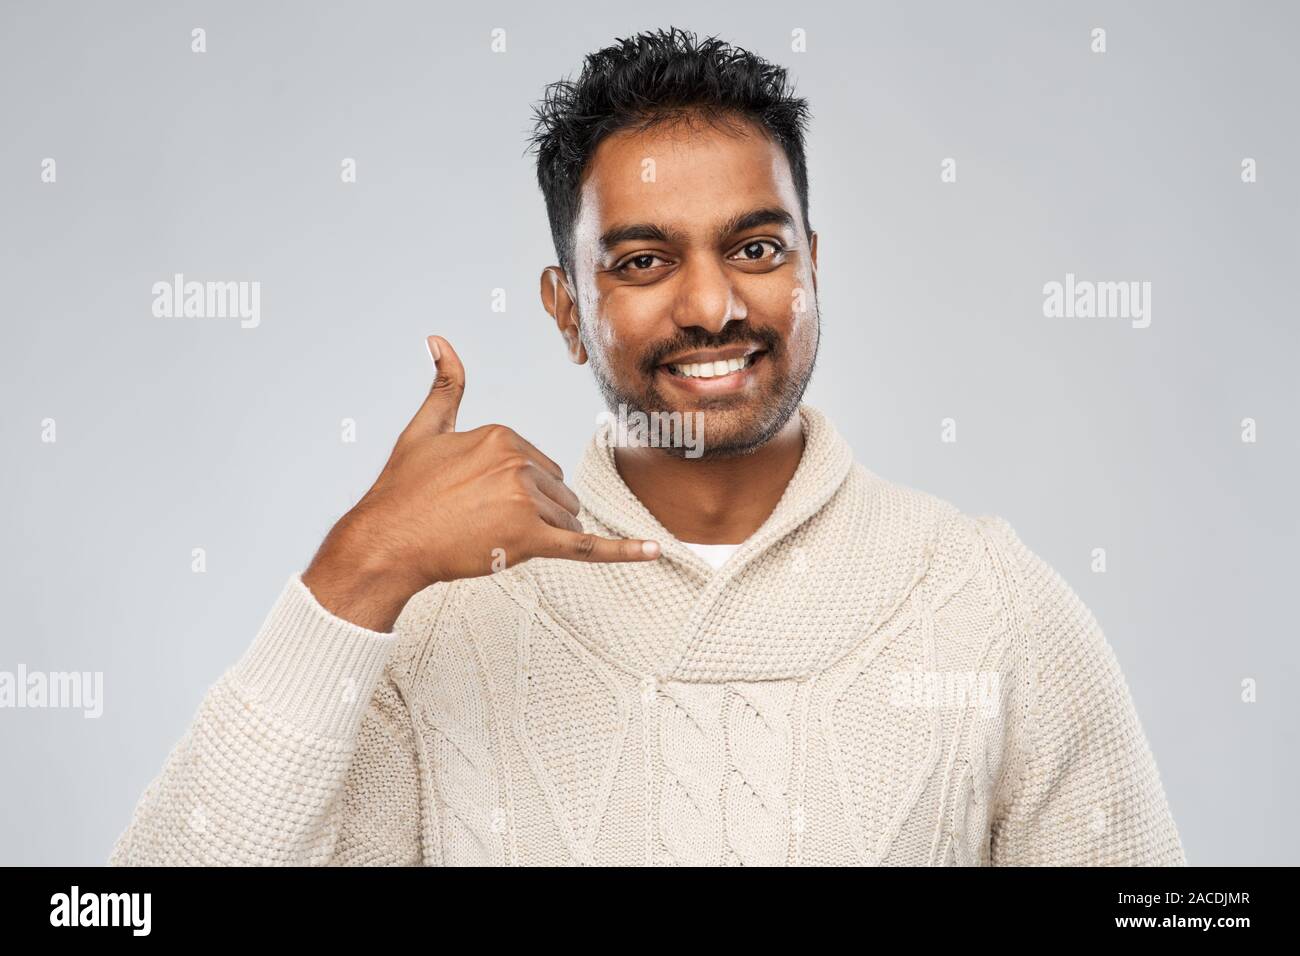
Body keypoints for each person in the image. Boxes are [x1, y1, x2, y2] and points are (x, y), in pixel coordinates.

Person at [109, 27, 1185, 866]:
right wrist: (356, 570)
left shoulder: (987, 602)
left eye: (755, 248)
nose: (713, 304)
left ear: (812, 264)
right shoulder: (447, 624)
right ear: (566, 307)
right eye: (640, 261)